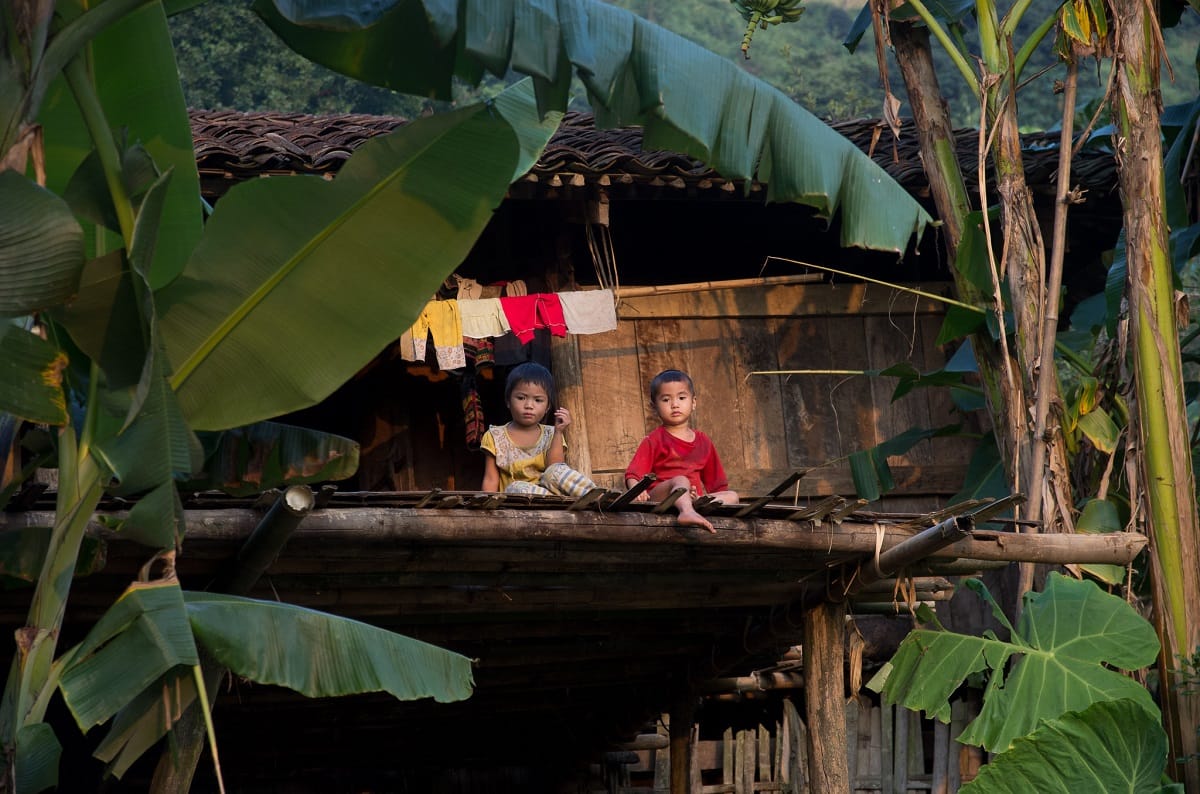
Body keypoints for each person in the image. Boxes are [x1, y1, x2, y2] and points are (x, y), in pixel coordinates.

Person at [625, 369, 738, 532]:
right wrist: (638, 491)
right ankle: (687, 512)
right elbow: (633, 474)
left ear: (693, 402)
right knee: (681, 480)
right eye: (666, 399)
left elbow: (718, 486)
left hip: (693, 499)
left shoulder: (703, 441)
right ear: (654, 406)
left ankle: (691, 506)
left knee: (732, 496)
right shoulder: (654, 440)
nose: (675, 404)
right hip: (660, 499)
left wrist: (701, 498)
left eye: (682, 398)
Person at [481, 362, 599, 497]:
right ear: (508, 400)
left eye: (538, 400)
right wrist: (488, 509)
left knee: (555, 471)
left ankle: (595, 496)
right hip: (517, 501)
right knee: (516, 487)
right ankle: (552, 502)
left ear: (548, 406)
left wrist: (558, 432)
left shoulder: (551, 433)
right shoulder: (494, 436)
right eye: (521, 398)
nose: (529, 405)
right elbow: (490, 479)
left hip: (551, 494)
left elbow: (554, 469)